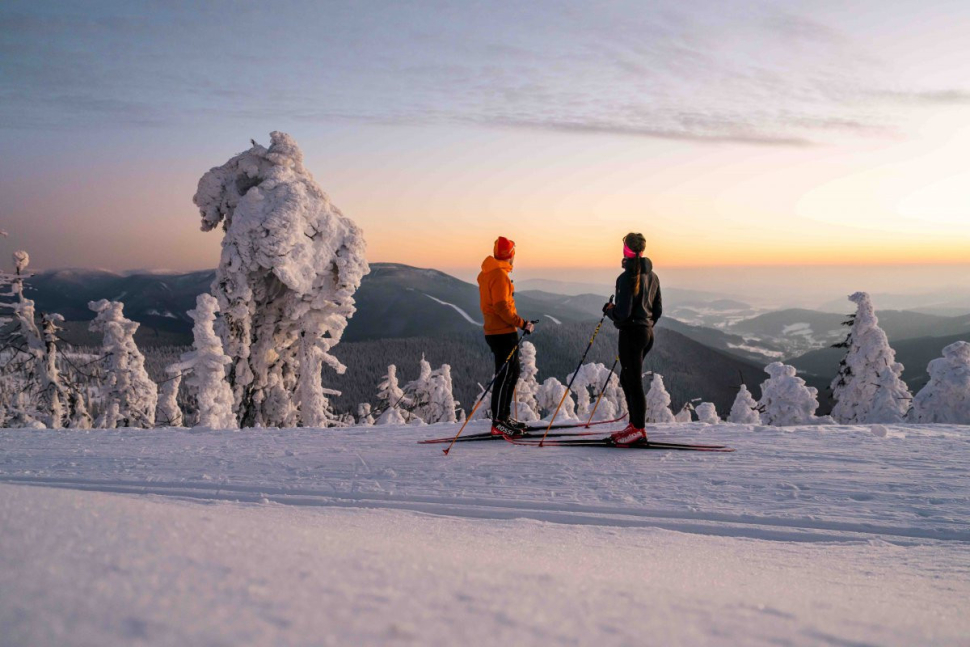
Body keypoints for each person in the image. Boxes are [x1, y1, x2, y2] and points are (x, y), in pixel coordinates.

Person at [603, 232, 663, 445]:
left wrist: (609, 311)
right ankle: (634, 425)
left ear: (626, 250)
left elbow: (623, 314)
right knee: (629, 377)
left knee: (633, 381)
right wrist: (645, 324)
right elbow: (657, 310)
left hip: (631, 334)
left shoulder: (626, 278)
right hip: (647, 333)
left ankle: (638, 429)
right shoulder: (653, 276)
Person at [478, 236, 535, 435]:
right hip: (502, 332)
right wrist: (522, 323)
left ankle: (504, 417)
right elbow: (501, 306)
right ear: (511, 256)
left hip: (497, 331)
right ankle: (498, 422)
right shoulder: (499, 275)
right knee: (505, 377)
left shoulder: (488, 273)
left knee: (512, 373)